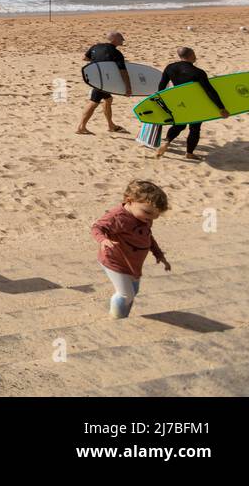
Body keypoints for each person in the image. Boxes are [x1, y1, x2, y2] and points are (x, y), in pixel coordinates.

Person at [91, 180, 170, 319]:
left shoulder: (144, 218)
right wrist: (103, 240)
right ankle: (116, 318)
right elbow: (97, 227)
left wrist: (158, 254)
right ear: (130, 201)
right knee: (125, 294)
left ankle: (124, 315)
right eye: (147, 212)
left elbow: (147, 236)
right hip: (115, 260)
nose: (151, 218)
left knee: (134, 291)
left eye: (156, 215)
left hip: (133, 263)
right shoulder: (118, 217)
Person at [155, 47, 229, 161]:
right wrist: (221, 107)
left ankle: (167, 141)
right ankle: (189, 153)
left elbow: (161, 86)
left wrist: (161, 101)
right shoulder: (198, 72)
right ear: (191, 55)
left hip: (179, 102)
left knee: (179, 125)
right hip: (195, 103)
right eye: (194, 54)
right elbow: (209, 91)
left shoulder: (170, 67)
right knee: (195, 128)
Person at [76, 32, 131, 135]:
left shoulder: (96, 46)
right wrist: (128, 87)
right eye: (121, 38)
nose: (123, 40)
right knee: (94, 102)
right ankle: (81, 127)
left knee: (108, 99)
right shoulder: (116, 53)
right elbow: (123, 72)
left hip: (94, 78)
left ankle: (111, 125)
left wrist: (97, 61)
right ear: (114, 39)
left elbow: (85, 58)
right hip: (104, 81)